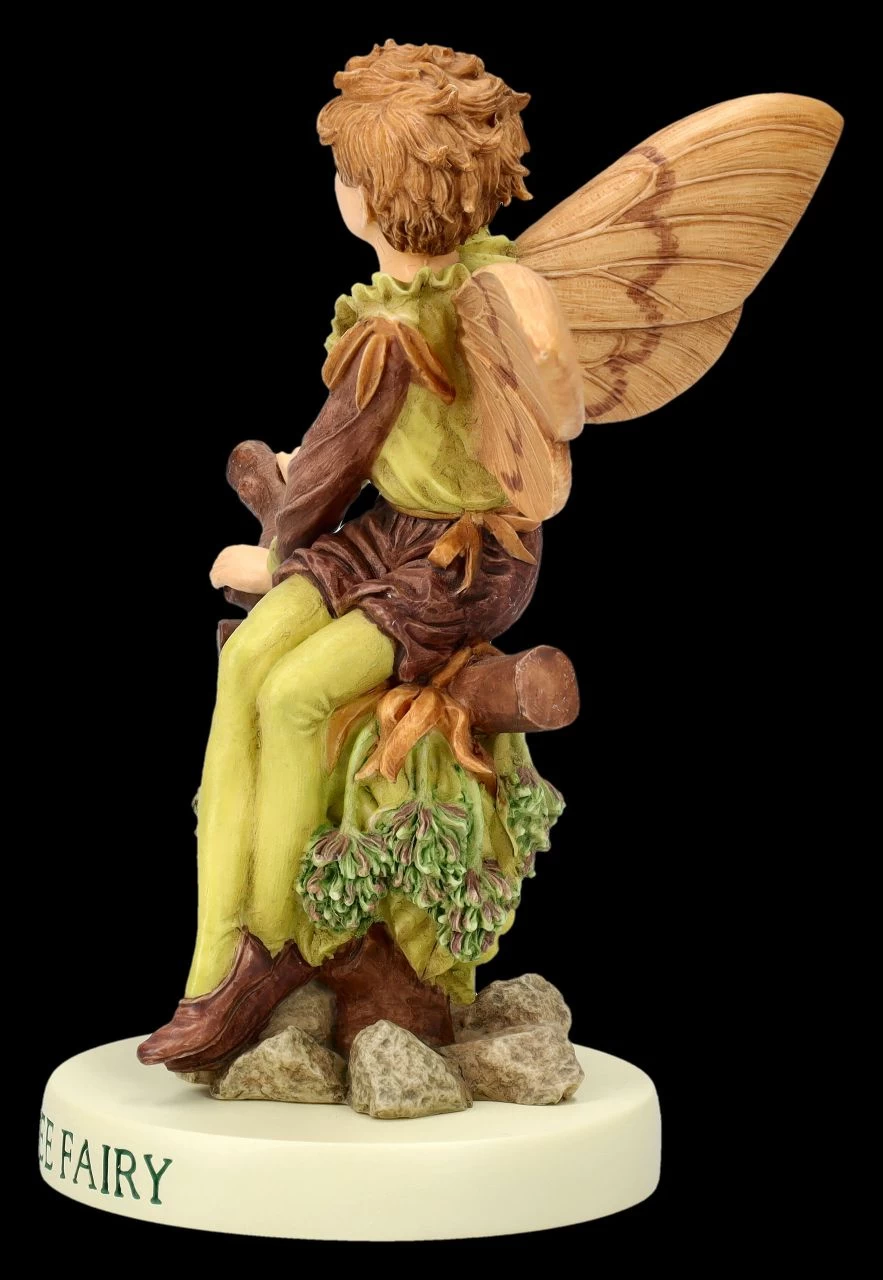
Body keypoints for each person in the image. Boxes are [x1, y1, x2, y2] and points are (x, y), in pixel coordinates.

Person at [138, 41, 562, 1072]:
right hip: (395, 530)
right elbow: (362, 461)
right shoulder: (493, 278)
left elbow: (331, 466)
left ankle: (267, 941)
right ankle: (212, 961)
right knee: (245, 662)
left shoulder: (395, 332)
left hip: (459, 564)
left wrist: (272, 553)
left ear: (370, 197)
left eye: (344, 172)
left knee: (290, 694)